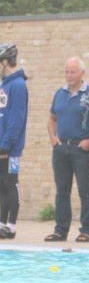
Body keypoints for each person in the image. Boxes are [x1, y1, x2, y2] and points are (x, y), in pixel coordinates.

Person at [45, 57, 89, 243]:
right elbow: (52, 118)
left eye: (73, 72)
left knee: (85, 190)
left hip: (81, 149)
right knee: (62, 190)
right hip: (61, 148)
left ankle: (87, 230)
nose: (69, 75)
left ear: (82, 73)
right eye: (67, 72)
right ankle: (60, 230)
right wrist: (53, 137)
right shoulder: (59, 93)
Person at [0, 44, 28, 241]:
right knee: (2, 185)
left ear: (4, 62)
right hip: (1, 144)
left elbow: (16, 119)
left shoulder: (18, 85)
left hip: (10, 148)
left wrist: (6, 145)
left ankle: (11, 226)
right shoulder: (4, 85)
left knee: (11, 183)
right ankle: (1, 223)